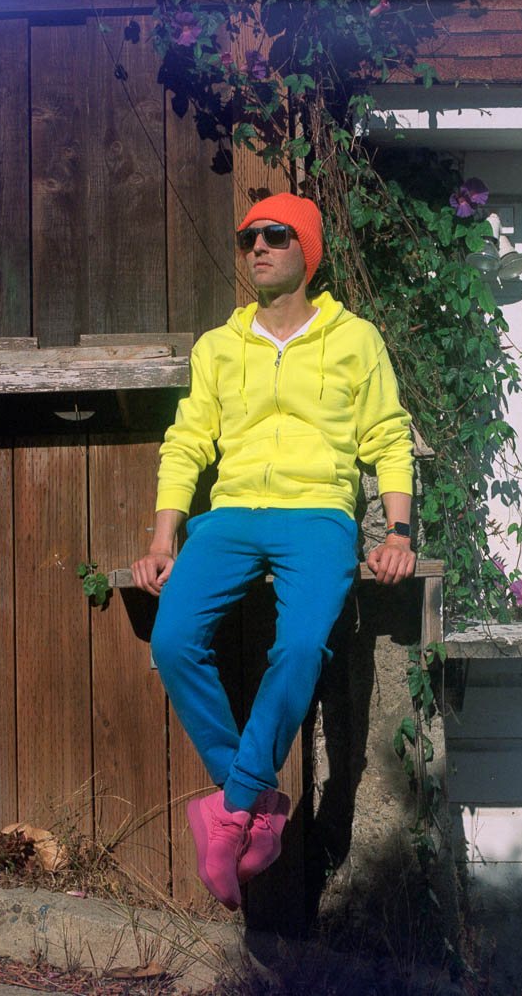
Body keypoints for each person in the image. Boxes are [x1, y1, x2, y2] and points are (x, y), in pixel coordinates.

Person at [131, 192, 416, 910]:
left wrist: (400, 532)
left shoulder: (355, 340)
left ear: (308, 251)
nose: (258, 247)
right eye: (248, 238)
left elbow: (387, 436)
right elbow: (188, 440)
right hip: (228, 519)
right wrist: (165, 537)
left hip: (319, 515)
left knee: (298, 649)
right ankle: (254, 793)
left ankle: (231, 808)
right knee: (172, 639)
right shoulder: (219, 346)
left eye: (276, 236)